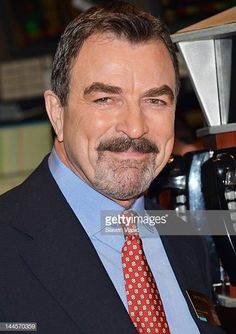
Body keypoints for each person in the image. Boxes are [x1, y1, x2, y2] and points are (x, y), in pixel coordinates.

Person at [0, 2, 225, 334]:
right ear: (57, 112)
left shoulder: (184, 237)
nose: (135, 127)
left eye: (155, 101)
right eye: (106, 99)